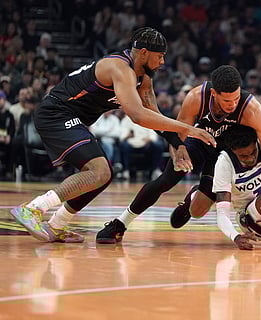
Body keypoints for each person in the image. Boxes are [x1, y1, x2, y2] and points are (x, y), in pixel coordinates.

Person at [9, 27, 216, 243]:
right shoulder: (119, 68)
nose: (163, 62)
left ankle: (56, 225)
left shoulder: (144, 77)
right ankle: (32, 209)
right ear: (143, 52)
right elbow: (137, 115)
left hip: (72, 118)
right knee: (99, 170)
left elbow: (153, 112)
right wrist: (187, 129)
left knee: (102, 176)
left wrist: (177, 143)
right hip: (56, 113)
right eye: (160, 56)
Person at [96, 65, 261, 243]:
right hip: (199, 140)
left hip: (225, 155)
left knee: (197, 211)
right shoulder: (197, 97)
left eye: (236, 99)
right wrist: (178, 151)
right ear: (214, 93)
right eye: (227, 100)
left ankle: (190, 200)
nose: (233, 105)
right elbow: (177, 134)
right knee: (167, 179)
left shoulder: (252, 109)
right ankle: (120, 223)